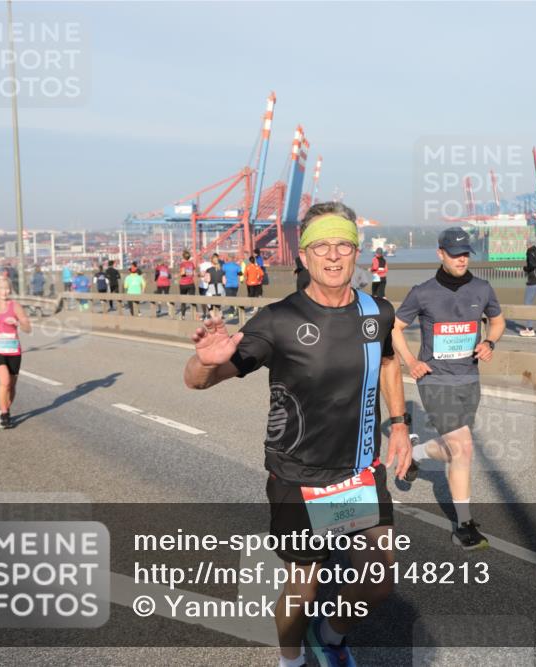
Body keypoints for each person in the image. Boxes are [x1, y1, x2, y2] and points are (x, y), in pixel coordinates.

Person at [183, 201, 410, 667]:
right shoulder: (278, 320)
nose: (332, 255)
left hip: (359, 473)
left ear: (356, 252)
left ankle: (330, 634)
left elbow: (388, 361)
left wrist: (401, 424)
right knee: (303, 586)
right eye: (320, 246)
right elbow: (199, 380)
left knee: (379, 581)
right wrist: (203, 361)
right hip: (299, 478)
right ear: (303, 257)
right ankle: (290, 657)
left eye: (343, 244)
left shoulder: (377, 312)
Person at [391, 227, 505, 550]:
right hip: (435, 380)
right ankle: (464, 525)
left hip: (469, 380)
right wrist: (411, 361)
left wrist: (490, 341)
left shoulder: (482, 288)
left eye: (466, 253)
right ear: (440, 253)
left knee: (455, 447)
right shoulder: (422, 292)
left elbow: (497, 321)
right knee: (464, 447)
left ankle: (413, 454)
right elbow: (396, 329)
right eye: (454, 254)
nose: (461, 259)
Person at [0, 276, 32, 429]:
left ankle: (5, 408)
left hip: (13, 350)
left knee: (11, 386)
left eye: (7, 288)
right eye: (1, 288)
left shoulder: (15, 306)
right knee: (4, 380)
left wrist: (18, 323)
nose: (5, 291)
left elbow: (28, 329)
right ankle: (4, 414)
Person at [177, 250, 197, 320]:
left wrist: (177, 275)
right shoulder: (191, 264)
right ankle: (195, 316)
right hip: (191, 283)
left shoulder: (183, 264)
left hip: (183, 284)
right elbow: (194, 274)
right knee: (193, 300)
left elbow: (182, 273)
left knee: (183, 300)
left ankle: (183, 316)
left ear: (183, 257)